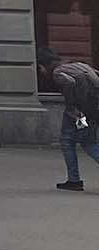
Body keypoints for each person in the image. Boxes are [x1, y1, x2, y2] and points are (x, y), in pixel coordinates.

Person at [49, 55, 99, 191]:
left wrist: (71, 104)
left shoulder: (58, 72)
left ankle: (74, 180)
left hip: (77, 111)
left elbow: (69, 82)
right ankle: (73, 179)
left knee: (67, 141)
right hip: (93, 108)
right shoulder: (81, 66)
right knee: (89, 143)